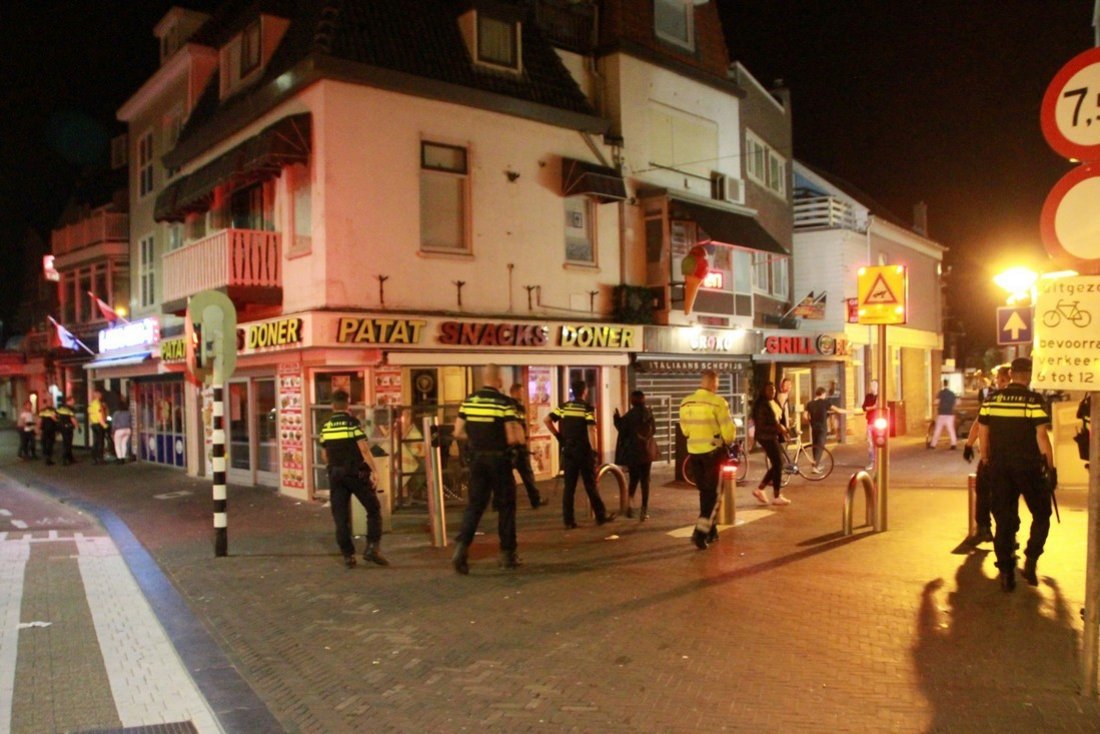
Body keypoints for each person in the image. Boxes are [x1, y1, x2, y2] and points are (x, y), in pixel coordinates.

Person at [977, 358, 1055, 592]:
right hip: (1029, 468)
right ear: (1029, 375)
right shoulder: (1033, 400)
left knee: (1004, 520)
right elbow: (1042, 436)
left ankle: (1006, 572)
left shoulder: (992, 398)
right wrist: (1051, 469)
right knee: (1042, 513)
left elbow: (983, 431)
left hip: (1000, 468)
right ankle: (1031, 559)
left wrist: (985, 459)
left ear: (1011, 374)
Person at [452, 364, 526, 574]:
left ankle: (461, 548)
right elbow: (512, 437)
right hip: (499, 460)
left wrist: (477, 438)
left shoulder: (469, 401)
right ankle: (507, 554)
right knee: (506, 507)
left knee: (474, 506)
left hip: (477, 460)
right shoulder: (504, 403)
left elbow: (458, 432)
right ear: (499, 380)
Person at [319, 389, 388, 569]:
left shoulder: (326, 427)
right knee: (373, 508)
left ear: (332, 405)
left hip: (335, 474)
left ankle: (348, 556)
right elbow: (364, 449)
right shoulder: (352, 424)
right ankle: (372, 548)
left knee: (340, 517)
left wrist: (335, 465)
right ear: (347, 405)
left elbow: (324, 455)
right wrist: (374, 470)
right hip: (355, 474)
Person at [545, 380, 616, 529]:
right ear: (584, 392)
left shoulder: (563, 407)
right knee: (590, 484)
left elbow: (547, 420)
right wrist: (594, 451)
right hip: (583, 451)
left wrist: (559, 437)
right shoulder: (587, 408)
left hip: (569, 450)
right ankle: (600, 516)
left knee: (569, 487)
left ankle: (568, 521)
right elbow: (591, 430)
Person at [678, 370, 737, 549]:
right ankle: (701, 532)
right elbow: (728, 434)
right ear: (713, 384)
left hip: (694, 454)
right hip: (713, 453)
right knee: (715, 495)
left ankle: (712, 530)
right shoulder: (718, 403)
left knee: (704, 492)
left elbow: (685, 431)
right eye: (717, 384)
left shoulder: (685, 402)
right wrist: (726, 440)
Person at [962, 364, 1010, 544]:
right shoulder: (1025, 399)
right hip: (1016, 457)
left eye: (1000, 379)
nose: (997, 382)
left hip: (993, 456)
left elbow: (979, 425)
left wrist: (972, 446)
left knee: (984, 492)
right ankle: (1007, 536)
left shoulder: (993, 399)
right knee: (1008, 497)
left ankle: (984, 528)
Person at [614, 390, 657, 521]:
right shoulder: (649, 413)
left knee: (633, 479)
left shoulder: (629, 415)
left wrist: (616, 418)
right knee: (645, 480)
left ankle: (629, 507)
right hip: (647, 451)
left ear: (632, 401)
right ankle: (644, 510)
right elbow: (653, 430)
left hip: (634, 451)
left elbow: (622, 430)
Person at [751, 382, 790, 507]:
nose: (772, 392)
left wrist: (783, 428)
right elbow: (763, 426)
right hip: (766, 437)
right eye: (769, 390)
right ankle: (777, 496)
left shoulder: (773, 402)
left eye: (773, 389)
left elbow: (777, 419)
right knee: (778, 463)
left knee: (778, 463)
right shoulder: (762, 405)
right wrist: (778, 428)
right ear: (763, 391)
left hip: (772, 435)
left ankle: (760, 489)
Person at [508, 383, 546, 509]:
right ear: (514, 392)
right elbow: (514, 425)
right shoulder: (512, 406)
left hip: (516, 445)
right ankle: (534, 500)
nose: (523, 394)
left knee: (524, 474)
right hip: (516, 446)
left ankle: (534, 499)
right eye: (521, 392)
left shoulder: (519, 406)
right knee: (524, 474)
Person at [803, 387, 841, 473]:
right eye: (825, 394)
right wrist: (848, 411)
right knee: (820, 447)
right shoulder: (825, 402)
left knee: (815, 446)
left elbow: (804, 416)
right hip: (822, 428)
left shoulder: (810, 403)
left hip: (814, 428)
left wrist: (811, 421)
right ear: (823, 394)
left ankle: (816, 464)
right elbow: (837, 410)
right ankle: (815, 467)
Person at [928, 379, 958, 449]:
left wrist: (933, 404)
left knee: (937, 430)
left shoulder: (940, 393)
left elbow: (936, 402)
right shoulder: (952, 393)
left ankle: (933, 445)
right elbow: (956, 402)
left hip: (941, 414)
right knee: (951, 430)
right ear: (948, 384)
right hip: (950, 414)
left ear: (942, 384)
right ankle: (953, 444)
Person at [862, 380, 880, 471]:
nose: (872, 387)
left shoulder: (880, 397)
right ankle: (871, 461)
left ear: (877, 386)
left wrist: (870, 408)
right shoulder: (868, 396)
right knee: (870, 443)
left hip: (879, 422)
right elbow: (864, 407)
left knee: (879, 441)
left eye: (874, 385)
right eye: (871, 385)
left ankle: (879, 461)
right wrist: (872, 407)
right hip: (870, 422)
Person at [89, 389, 109, 465]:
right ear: (98, 395)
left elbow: (91, 415)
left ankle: (94, 458)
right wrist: (105, 425)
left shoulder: (91, 404)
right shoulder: (98, 404)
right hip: (99, 425)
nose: (101, 396)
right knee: (100, 442)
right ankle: (100, 459)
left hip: (93, 424)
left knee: (95, 442)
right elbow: (100, 416)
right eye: (100, 394)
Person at [56, 396, 78, 466]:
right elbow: (72, 418)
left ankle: (69, 458)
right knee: (68, 443)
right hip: (68, 427)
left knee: (65, 442)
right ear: (70, 401)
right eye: (73, 401)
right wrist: (77, 426)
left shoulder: (60, 408)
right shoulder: (70, 409)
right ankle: (65, 459)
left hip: (62, 427)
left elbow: (55, 416)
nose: (74, 402)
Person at [111, 399, 133, 465]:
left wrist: (112, 431)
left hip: (119, 430)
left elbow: (114, 423)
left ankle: (119, 458)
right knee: (124, 444)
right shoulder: (128, 413)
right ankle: (123, 458)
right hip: (127, 429)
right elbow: (130, 422)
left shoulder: (116, 413)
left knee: (117, 445)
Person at [38, 397, 58, 465]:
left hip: (45, 429)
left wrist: (39, 428)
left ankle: (46, 455)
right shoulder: (53, 410)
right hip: (50, 429)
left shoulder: (42, 410)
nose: (51, 402)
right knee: (50, 443)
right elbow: (55, 419)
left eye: (51, 401)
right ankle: (48, 458)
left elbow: (40, 420)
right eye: (51, 401)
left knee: (45, 442)